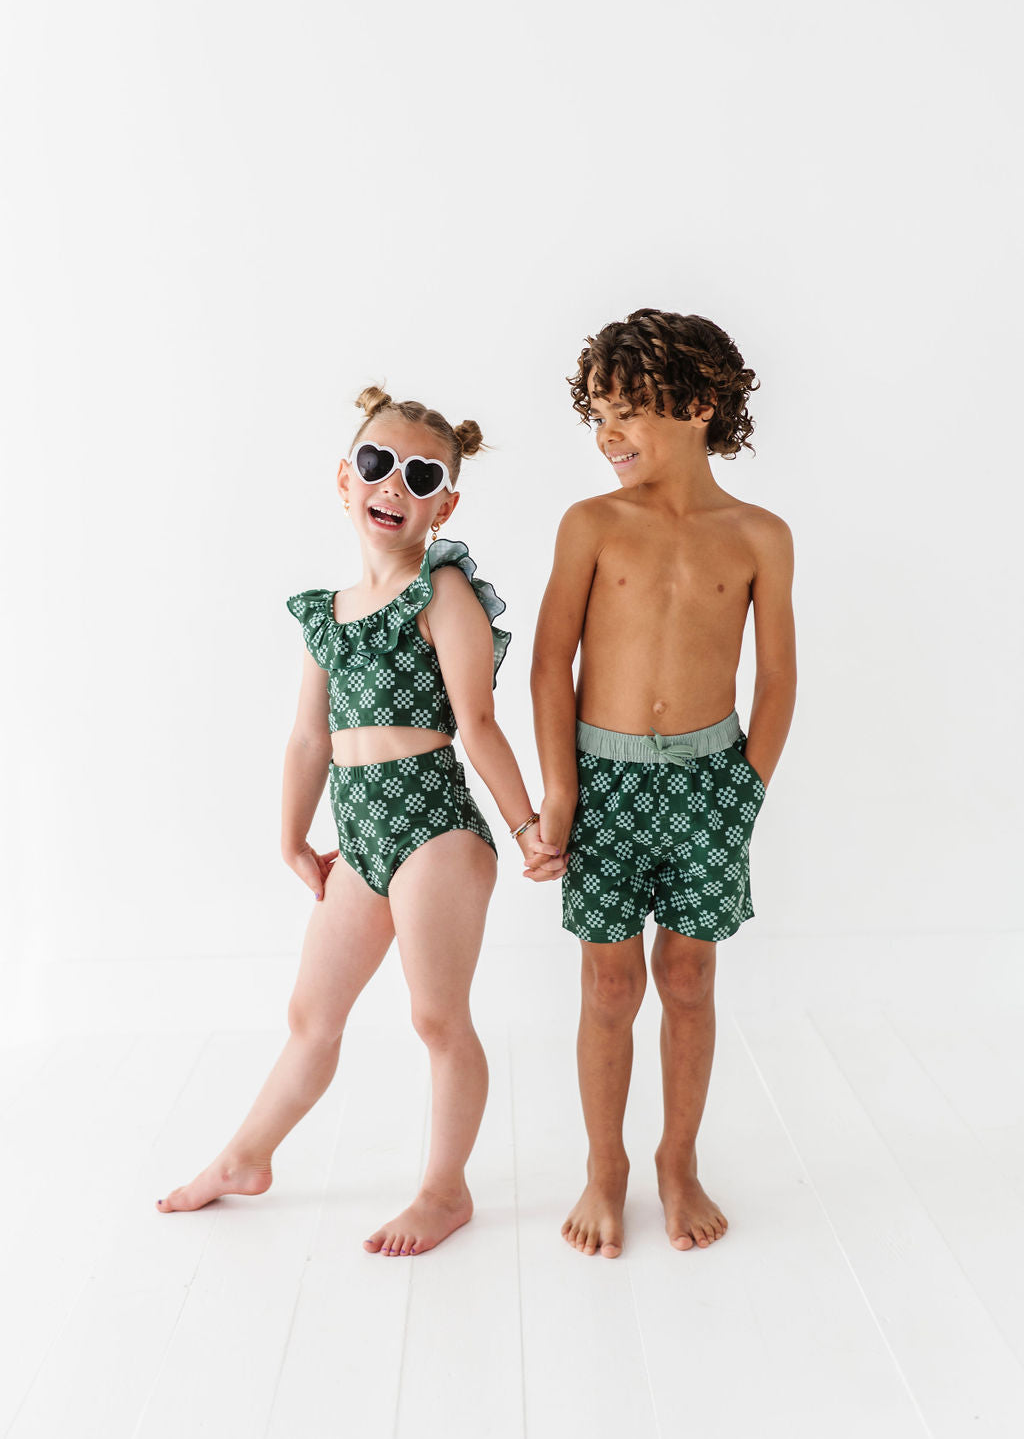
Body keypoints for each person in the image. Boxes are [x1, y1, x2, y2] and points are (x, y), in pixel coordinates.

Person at [158, 386, 562, 1255]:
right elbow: (311, 737)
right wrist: (291, 835)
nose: (394, 486)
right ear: (345, 479)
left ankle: (445, 1190)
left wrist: (527, 824)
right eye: (378, 464)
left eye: (422, 476)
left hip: (435, 830)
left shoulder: (442, 593)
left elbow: (478, 720)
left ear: (446, 504)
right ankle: (245, 1156)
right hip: (362, 837)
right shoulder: (327, 614)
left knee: (437, 1018)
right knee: (311, 1013)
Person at [531, 309, 796, 1259]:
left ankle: (676, 1160)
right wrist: (560, 791)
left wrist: (745, 790)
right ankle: (604, 1168)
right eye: (598, 414)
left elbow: (777, 677)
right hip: (602, 782)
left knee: (689, 975)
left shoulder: (759, 534)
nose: (608, 434)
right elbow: (550, 661)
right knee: (609, 983)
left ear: (699, 403)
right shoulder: (591, 523)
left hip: (710, 782)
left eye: (628, 411)